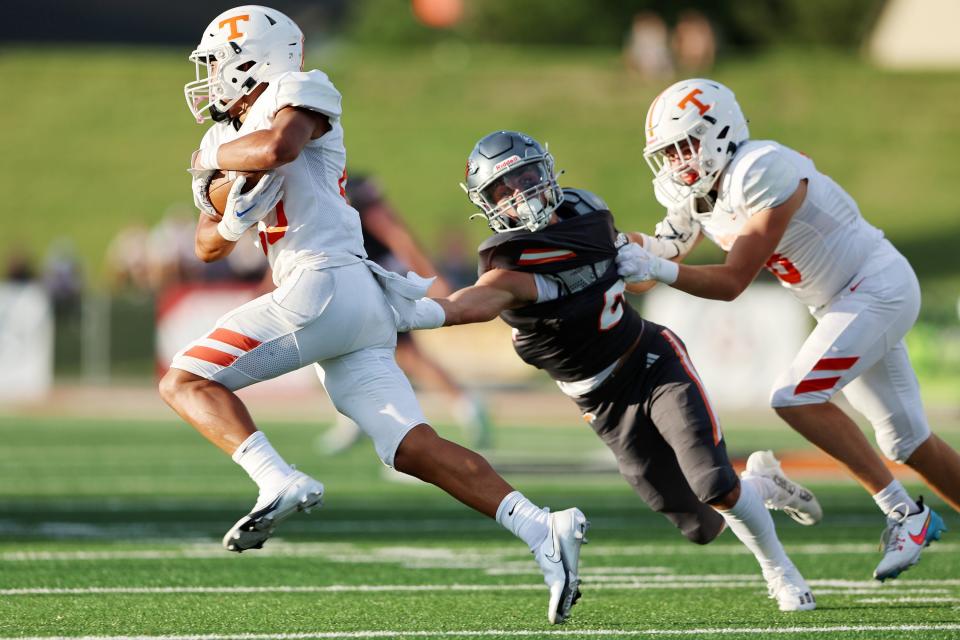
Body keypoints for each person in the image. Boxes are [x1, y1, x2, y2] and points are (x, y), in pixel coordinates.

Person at [158, 6, 586, 625]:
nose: (211, 76)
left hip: (322, 284)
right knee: (410, 447)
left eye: (217, 61)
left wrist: (213, 168)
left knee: (184, 379)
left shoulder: (298, 88)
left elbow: (278, 147)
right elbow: (206, 243)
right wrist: (227, 206)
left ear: (254, 56)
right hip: (352, 304)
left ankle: (275, 478)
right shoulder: (226, 133)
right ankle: (544, 529)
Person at [392, 130, 820, 612]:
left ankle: (781, 572)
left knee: (714, 483)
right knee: (701, 525)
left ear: (547, 172)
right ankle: (764, 483)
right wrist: (414, 313)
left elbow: (627, 250)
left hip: (651, 360)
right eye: (503, 190)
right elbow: (469, 303)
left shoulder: (584, 215)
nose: (520, 193)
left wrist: (648, 255)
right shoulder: (509, 263)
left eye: (525, 177)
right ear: (487, 204)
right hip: (600, 403)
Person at [616, 78, 953, 581]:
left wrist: (653, 268)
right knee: (905, 441)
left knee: (794, 396)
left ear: (718, 131)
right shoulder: (695, 189)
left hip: (875, 287)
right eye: (668, 153)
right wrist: (611, 250)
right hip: (841, 303)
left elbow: (731, 281)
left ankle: (906, 512)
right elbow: (658, 259)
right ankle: (910, 510)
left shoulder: (761, 169)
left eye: (684, 145)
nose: (677, 162)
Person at [320, 173, 492, 454]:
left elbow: (394, 233)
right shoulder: (318, 184)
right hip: (356, 280)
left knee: (401, 354)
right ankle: (355, 419)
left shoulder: (348, 185)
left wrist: (431, 274)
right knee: (351, 351)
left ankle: (465, 406)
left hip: (375, 280)